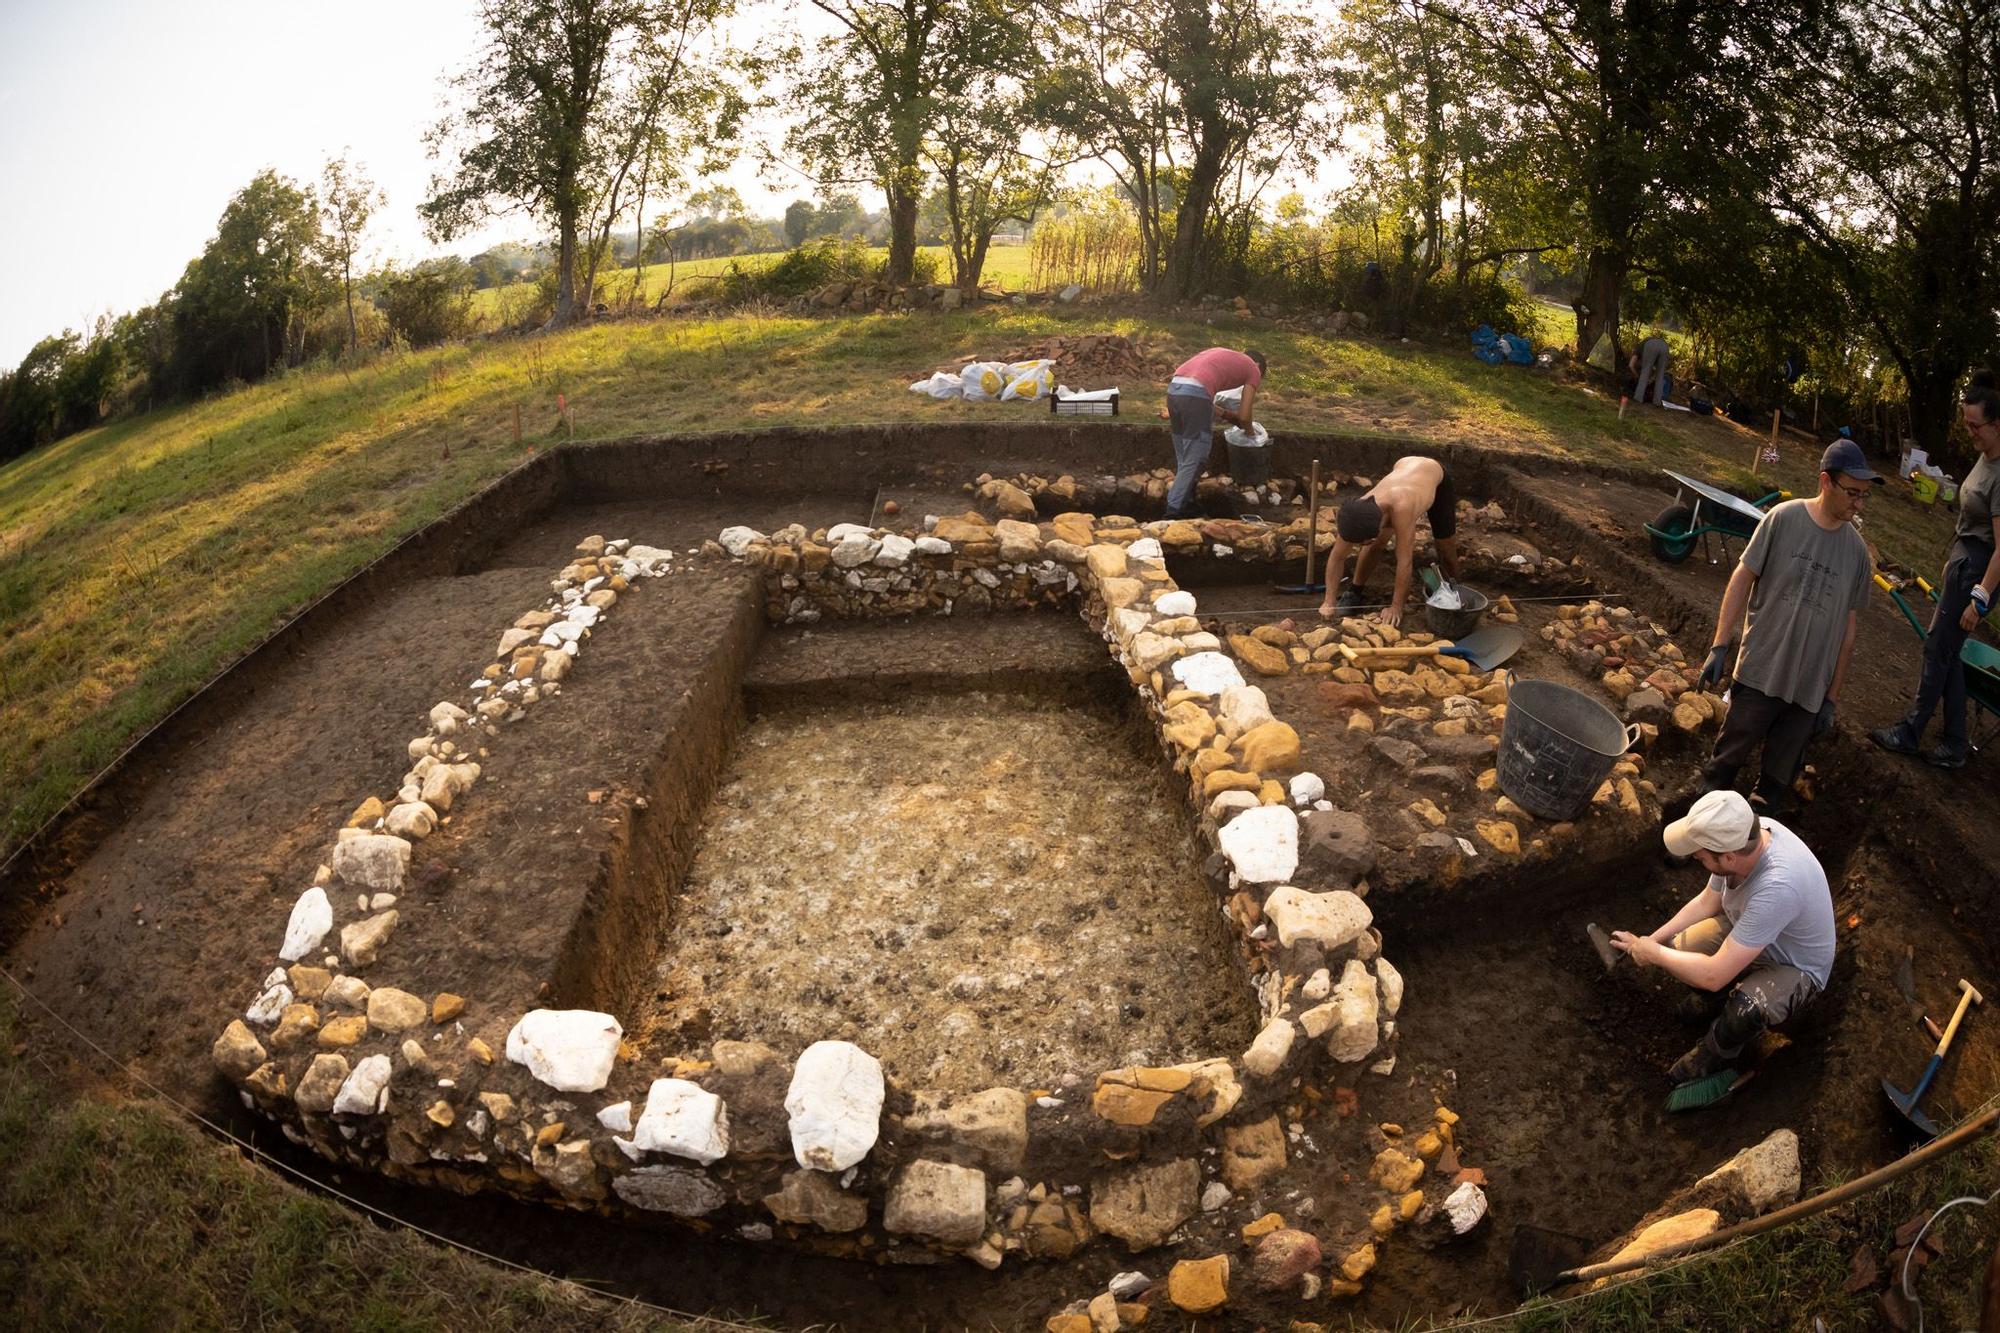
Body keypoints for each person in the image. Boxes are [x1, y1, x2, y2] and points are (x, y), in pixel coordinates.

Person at [1694, 439, 1878, 810]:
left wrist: (1831, 697)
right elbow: (1742, 577)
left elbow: (1849, 629)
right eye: (1853, 493)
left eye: (1865, 496)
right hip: (1762, 670)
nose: (1859, 504)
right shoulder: (1782, 519)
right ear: (1826, 481)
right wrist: (1720, 644)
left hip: (1808, 690)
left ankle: (1745, 865)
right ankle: (1694, 842)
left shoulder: (1857, 554)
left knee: (1773, 788)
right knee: (1722, 769)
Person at [1611, 790, 1836, 1086]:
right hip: (1757, 935)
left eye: (1700, 855)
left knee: (1744, 1010)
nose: (1694, 857)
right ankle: (1713, 1003)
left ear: (1727, 857)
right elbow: (1708, 902)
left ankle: (1714, 1054)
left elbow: (1714, 974)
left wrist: (1655, 955)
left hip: (1794, 967)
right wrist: (1652, 940)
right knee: (1683, 947)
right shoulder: (1743, 836)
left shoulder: (1778, 886)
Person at [1872, 370, 2000, 769]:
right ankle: (1955, 743)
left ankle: (1911, 734)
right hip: (1966, 561)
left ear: (1997, 425)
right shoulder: (1986, 458)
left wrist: (1979, 599)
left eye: (1975, 425)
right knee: (1948, 652)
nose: (1969, 431)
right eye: (1966, 423)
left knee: (1936, 649)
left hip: (1980, 571)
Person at [1316, 456, 1462, 627]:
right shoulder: (1356, 512)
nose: (1363, 544)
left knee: (1446, 548)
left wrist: (1396, 607)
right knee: (1375, 546)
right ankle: (1354, 591)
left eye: (1365, 541)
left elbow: (1405, 561)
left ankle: (1457, 589)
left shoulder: (1403, 508)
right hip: (1403, 465)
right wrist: (1328, 600)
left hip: (1434, 475)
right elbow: (1337, 556)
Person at [1163, 347, 1266, 520]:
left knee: (1185, 456)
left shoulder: (1222, 356)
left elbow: (1205, 402)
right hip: (1195, 395)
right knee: (1196, 457)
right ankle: (1173, 511)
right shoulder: (1253, 368)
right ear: (1258, 365)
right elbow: (1245, 415)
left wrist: (1229, 416)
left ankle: (1187, 503)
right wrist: (1250, 433)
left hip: (1174, 390)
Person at [1633, 334, 1671, 405]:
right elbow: (1658, 373)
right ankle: (1657, 402)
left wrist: (1637, 376)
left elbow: (1631, 365)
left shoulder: (1640, 347)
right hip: (1665, 346)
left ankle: (1638, 398)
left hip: (1651, 346)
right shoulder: (1647, 342)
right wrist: (1650, 380)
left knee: (1645, 373)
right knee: (1660, 375)